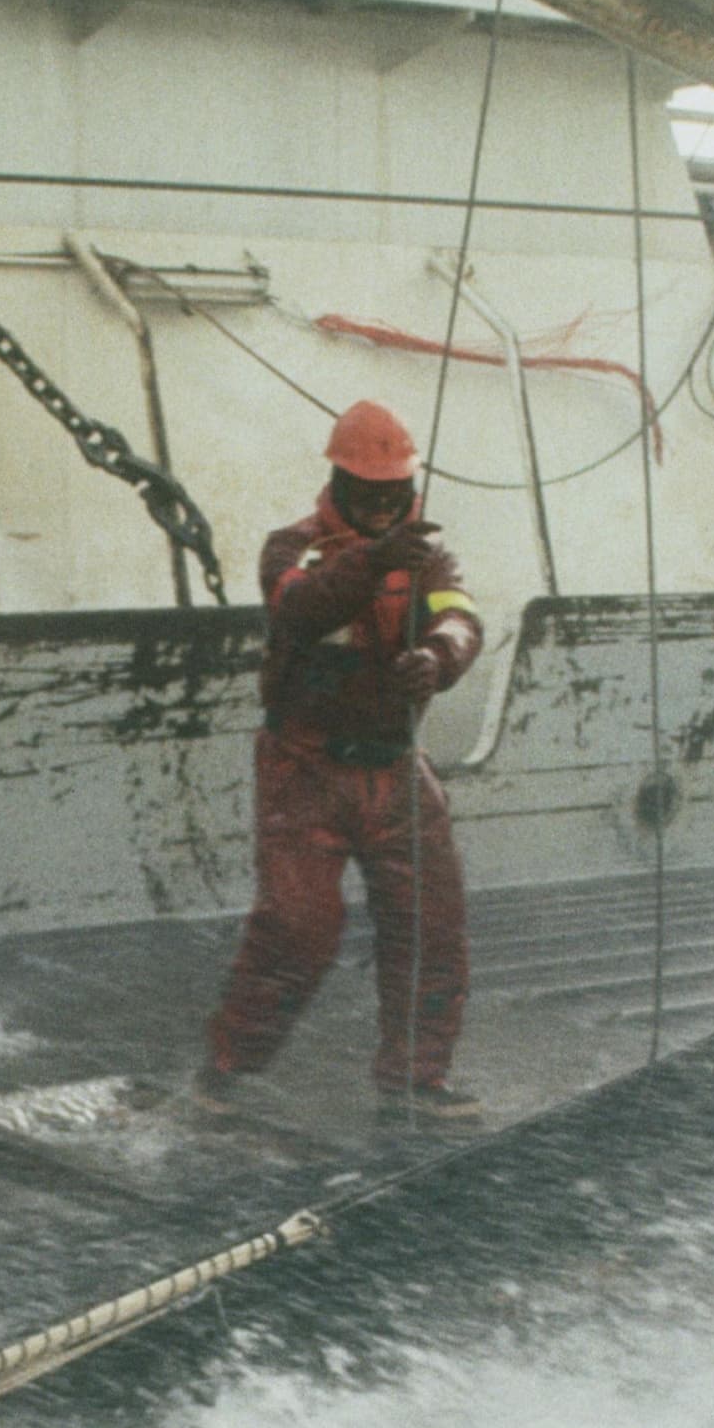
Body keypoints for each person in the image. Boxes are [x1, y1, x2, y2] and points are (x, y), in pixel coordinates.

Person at [198, 400, 485, 1127]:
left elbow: (459, 614)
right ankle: (225, 1072)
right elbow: (299, 609)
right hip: (307, 771)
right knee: (297, 932)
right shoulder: (289, 548)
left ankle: (415, 1078)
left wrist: (439, 654)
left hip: (394, 770)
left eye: (397, 491)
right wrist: (373, 562)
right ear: (338, 480)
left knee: (431, 928)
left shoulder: (428, 557)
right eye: (371, 491)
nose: (387, 505)